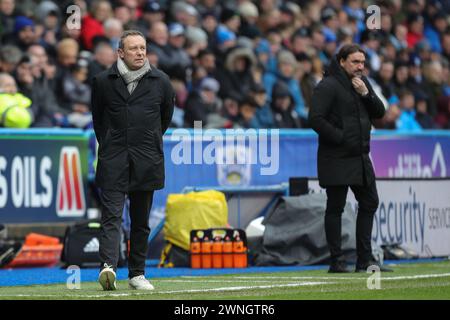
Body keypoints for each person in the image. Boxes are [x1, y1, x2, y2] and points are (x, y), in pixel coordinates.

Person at [91, 30, 174, 291]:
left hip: (146, 159)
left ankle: (137, 274)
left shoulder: (161, 81)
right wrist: (112, 144)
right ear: (120, 53)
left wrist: (146, 140)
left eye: (143, 48)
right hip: (114, 158)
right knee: (111, 216)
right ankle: (108, 266)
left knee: (140, 221)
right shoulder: (103, 81)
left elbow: (165, 119)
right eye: (134, 48)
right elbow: (98, 120)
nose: (140, 53)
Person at [309, 44, 391, 273]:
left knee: (369, 202)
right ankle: (337, 261)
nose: (360, 67)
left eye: (362, 62)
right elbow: (315, 119)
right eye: (355, 62)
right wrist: (341, 137)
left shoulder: (363, 84)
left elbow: (379, 112)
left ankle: (364, 260)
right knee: (335, 207)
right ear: (342, 61)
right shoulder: (327, 86)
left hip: (360, 156)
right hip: (336, 156)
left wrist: (366, 94)